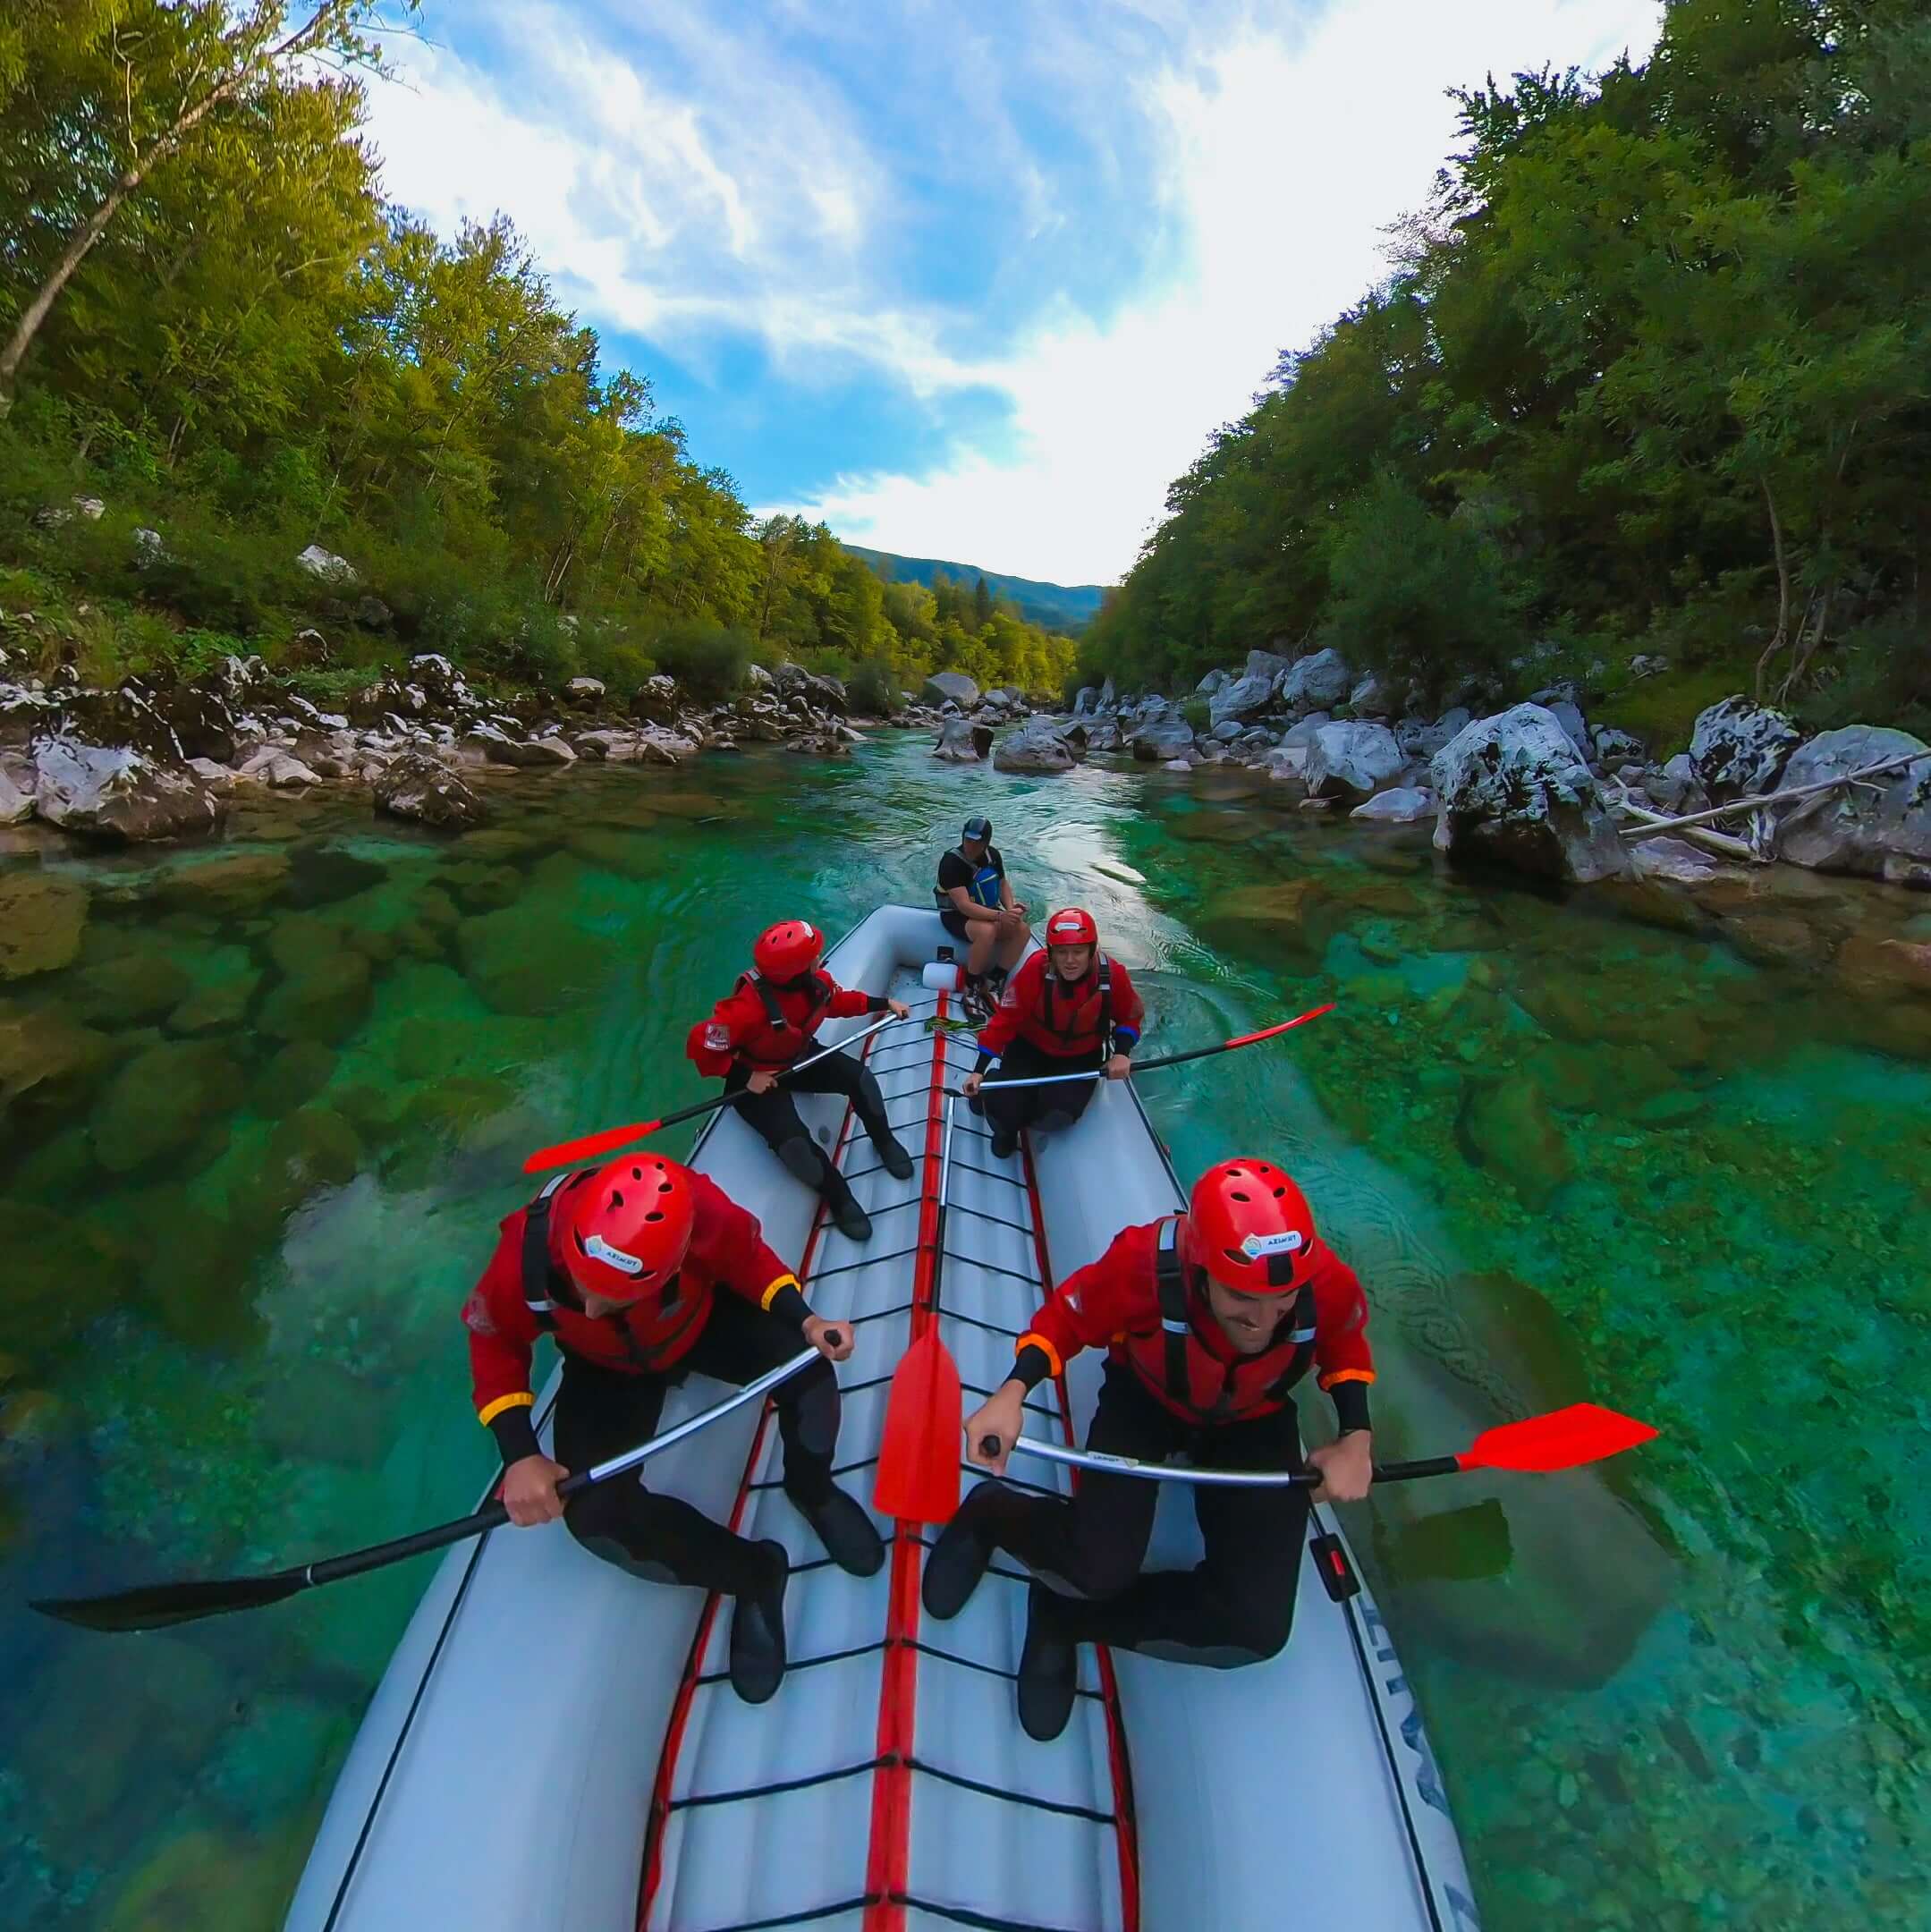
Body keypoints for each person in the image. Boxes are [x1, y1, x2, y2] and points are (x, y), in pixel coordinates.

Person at [919, 1157, 1375, 1741]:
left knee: (1256, 1628)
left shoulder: (1326, 1284)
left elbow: (1345, 1346)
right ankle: (989, 1512)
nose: (1264, 1321)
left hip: (1253, 1421)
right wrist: (1012, 1391)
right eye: (1242, 1297)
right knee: (1095, 1566)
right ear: (1201, 1268)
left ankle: (1066, 1614)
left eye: (1281, 1298)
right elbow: (1068, 1318)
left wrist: (1354, 1437)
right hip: (1147, 1399)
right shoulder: (1142, 1262)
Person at [462, 1151, 884, 1705]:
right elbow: (493, 1338)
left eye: (609, 1296)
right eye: (581, 1285)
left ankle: (813, 1489)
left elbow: (745, 1256)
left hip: (697, 1325)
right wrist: (520, 1453)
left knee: (811, 1377)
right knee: (594, 1516)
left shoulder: (695, 1205)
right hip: (605, 1369)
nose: (589, 1309)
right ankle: (755, 1573)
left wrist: (807, 1319)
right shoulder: (523, 1250)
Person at [688, 919, 912, 1243]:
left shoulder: (816, 983)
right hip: (755, 1079)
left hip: (797, 1058)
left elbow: (838, 1002)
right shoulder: (744, 1011)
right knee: (795, 1147)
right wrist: (745, 1076)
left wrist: (882, 1004)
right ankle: (838, 1196)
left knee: (860, 1079)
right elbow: (700, 1043)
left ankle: (884, 1140)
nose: (820, 960)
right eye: (814, 956)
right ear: (795, 972)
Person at [961, 905, 1142, 1160]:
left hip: (1080, 1056)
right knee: (1006, 1107)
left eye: (1078, 952)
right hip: (1029, 1047)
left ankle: (1019, 1107)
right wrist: (979, 1069)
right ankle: (1002, 1120)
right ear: (1051, 953)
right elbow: (1005, 1020)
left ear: (1092, 951)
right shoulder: (1036, 968)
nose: (1070, 961)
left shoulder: (1113, 975)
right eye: (1062, 952)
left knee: (1058, 1116)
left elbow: (1130, 1018)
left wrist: (1122, 1054)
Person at [935, 814, 1029, 1021]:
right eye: (967, 840)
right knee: (987, 931)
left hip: (988, 910)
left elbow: (1003, 884)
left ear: (986, 842)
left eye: (976, 842)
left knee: (1022, 929)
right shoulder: (951, 862)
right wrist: (1000, 916)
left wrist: (1011, 911)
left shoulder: (992, 856)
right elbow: (964, 905)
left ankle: (996, 980)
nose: (970, 846)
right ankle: (972, 987)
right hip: (955, 916)